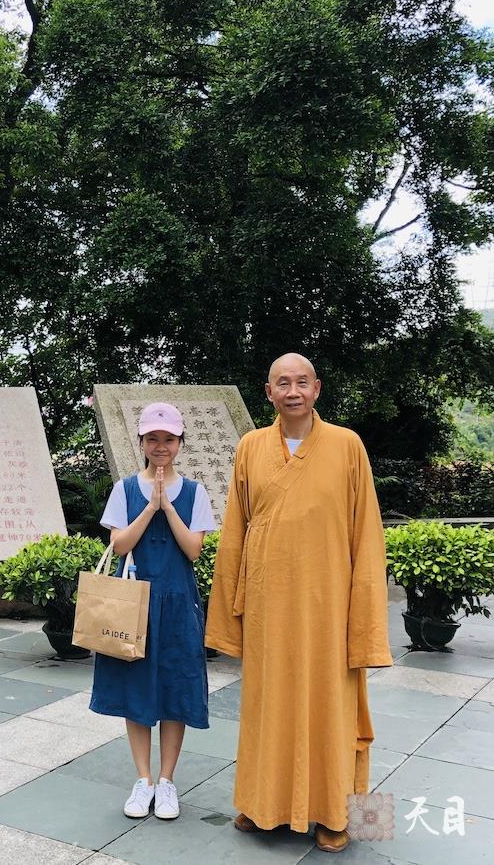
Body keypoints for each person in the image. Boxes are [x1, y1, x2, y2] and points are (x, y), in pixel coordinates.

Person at [204, 353, 392, 854]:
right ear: (269, 393)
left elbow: (367, 535)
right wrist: (229, 615)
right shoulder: (250, 448)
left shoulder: (347, 446)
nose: (292, 391)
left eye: (301, 382)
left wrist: (366, 619)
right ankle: (262, 804)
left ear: (317, 389)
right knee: (269, 707)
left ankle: (337, 813)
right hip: (271, 607)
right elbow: (233, 536)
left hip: (330, 606)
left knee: (333, 707)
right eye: (282, 383)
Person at [90, 402, 216, 820]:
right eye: (153, 439)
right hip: (135, 605)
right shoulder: (124, 489)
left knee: (175, 690)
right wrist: (149, 505)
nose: (161, 446)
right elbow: (121, 545)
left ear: (180, 442)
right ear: (141, 442)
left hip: (178, 602)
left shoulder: (195, 492)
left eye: (169, 438)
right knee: (136, 691)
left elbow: (194, 550)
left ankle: (167, 782)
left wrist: (167, 506)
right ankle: (142, 780)